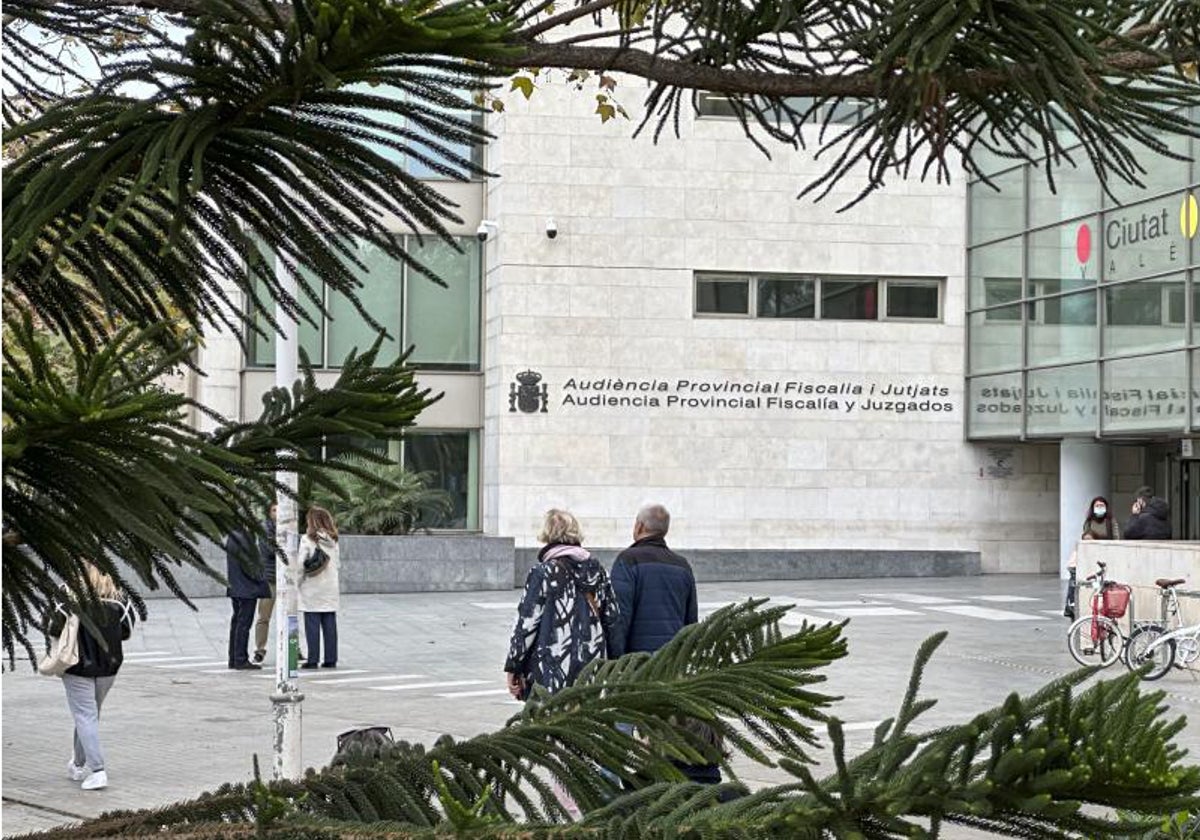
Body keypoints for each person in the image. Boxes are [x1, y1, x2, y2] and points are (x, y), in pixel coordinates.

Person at [504, 509, 621, 700]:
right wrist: (616, 663)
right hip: (593, 665)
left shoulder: (543, 572)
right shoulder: (597, 571)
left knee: (550, 720)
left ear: (547, 534)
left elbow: (526, 623)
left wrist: (513, 666)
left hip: (552, 669)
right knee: (584, 721)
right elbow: (613, 619)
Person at [47, 563, 136, 791]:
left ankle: (98, 771)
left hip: (77, 665)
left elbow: (53, 627)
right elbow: (127, 629)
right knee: (89, 715)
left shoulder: (67, 592)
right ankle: (77, 764)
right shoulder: (117, 595)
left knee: (86, 716)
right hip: (109, 666)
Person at [609, 503, 698, 655]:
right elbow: (691, 622)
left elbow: (619, 617)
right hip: (672, 660)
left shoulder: (627, 560)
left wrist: (614, 660)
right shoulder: (682, 565)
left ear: (639, 526)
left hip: (636, 662)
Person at [298, 505, 341, 669]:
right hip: (330, 587)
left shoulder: (307, 539)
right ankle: (331, 659)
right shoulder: (334, 539)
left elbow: (302, 563)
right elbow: (338, 563)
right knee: (330, 624)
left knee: (312, 624)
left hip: (312, 587)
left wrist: (296, 582)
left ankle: (313, 659)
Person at [226, 524, 270, 670]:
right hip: (247, 588)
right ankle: (240, 659)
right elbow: (249, 565)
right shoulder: (244, 538)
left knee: (237, 623)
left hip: (236, 587)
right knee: (244, 624)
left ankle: (233, 658)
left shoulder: (232, 536)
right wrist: (261, 578)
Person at [252, 503, 278, 665]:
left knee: (290, 616)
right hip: (270, 579)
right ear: (269, 513)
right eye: (275, 510)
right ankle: (259, 650)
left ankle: (294, 650)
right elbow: (270, 551)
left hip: (286, 578)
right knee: (264, 617)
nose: (278, 513)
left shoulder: (289, 527)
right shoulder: (265, 529)